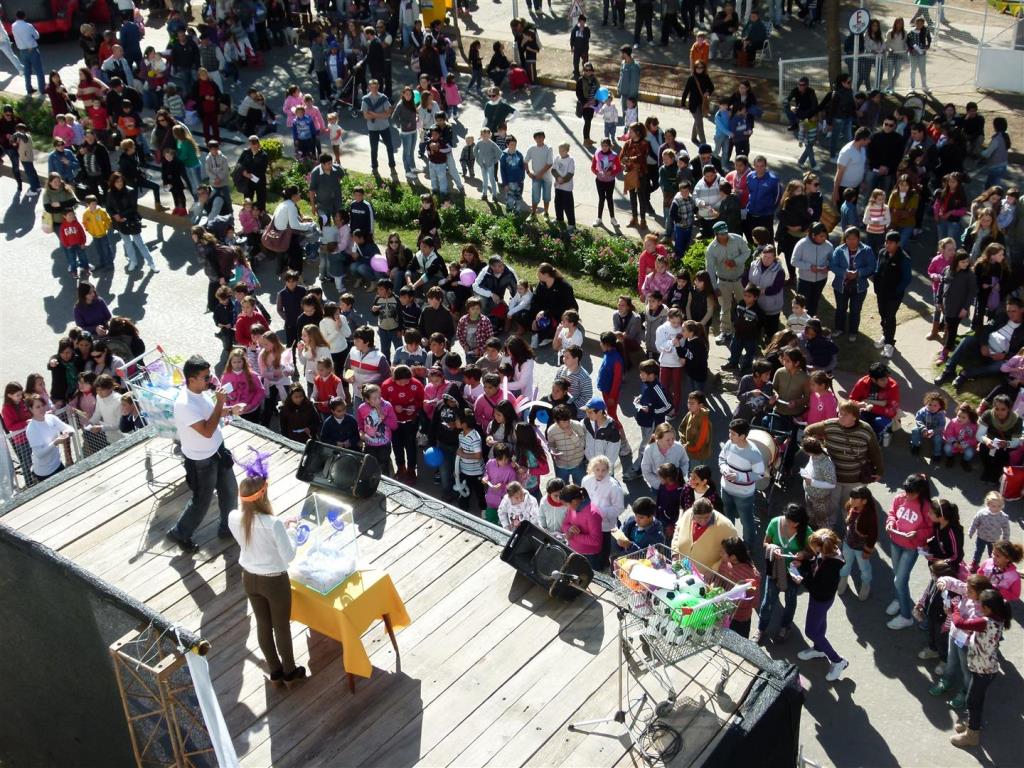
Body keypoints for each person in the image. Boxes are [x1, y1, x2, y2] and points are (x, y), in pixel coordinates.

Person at [227, 455, 306, 685]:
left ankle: (275, 670)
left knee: (263, 623)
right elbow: (289, 556)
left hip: (249, 578)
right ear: (264, 493)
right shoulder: (274, 524)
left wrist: (282, 524)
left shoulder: (234, 517)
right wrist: (290, 530)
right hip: (274, 581)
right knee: (281, 627)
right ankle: (290, 670)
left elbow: (256, 525)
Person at [167, 356, 242, 553]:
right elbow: (207, 430)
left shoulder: (201, 392)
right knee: (202, 500)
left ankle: (228, 528)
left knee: (230, 491)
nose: (210, 380)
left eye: (209, 375)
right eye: (205, 377)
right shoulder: (184, 404)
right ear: (191, 379)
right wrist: (220, 404)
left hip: (217, 450)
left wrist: (229, 410)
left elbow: (211, 415)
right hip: (201, 460)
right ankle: (180, 533)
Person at [803, 401, 883, 524]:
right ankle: (829, 532)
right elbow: (808, 430)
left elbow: (875, 452)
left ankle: (849, 531)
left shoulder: (866, 430)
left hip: (855, 479)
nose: (840, 416)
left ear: (854, 417)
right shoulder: (829, 425)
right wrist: (814, 447)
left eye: (845, 414)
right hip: (833, 478)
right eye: (840, 412)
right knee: (831, 507)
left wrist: (880, 471)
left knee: (850, 507)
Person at [793, 529, 849, 682]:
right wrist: (803, 562)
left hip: (820, 599)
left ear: (822, 548)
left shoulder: (830, 566)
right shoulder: (829, 552)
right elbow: (814, 564)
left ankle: (837, 661)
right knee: (819, 624)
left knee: (811, 631)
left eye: (814, 547)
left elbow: (816, 586)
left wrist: (801, 580)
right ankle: (819, 648)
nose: (812, 550)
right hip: (822, 598)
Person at [756, 503, 810, 645]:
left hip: (793, 572)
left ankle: (785, 627)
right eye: (788, 520)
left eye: (794, 522)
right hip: (774, 568)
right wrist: (773, 548)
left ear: (800, 522)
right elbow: (765, 543)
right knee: (768, 601)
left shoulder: (806, 531)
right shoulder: (775, 523)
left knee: (790, 600)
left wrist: (802, 555)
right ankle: (761, 628)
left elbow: (811, 551)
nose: (790, 524)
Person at [718, 418, 764, 551]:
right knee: (727, 517)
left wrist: (739, 476)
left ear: (742, 436)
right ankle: (729, 541)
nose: (729, 436)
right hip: (726, 489)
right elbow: (721, 458)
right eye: (729, 432)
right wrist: (724, 469)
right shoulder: (729, 444)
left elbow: (760, 474)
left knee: (746, 521)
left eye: (733, 434)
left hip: (743, 495)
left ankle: (748, 546)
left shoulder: (754, 454)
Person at [671, 497, 736, 571]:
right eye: (699, 518)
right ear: (693, 514)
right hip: (682, 568)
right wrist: (675, 553)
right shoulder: (687, 514)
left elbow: (733, 551)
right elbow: (677, 532)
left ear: (712, 511)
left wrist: (714, 569)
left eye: (707, 517)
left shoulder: (726, 526)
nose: (703, 521)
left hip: (707, 576)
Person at [24, 394, 74, 482]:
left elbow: (70, 429)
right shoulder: (31, 429)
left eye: (43, 405)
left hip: (57, 464)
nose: (42, 408)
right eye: (38, 407)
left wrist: (67, 432)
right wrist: (55, 442)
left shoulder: (51, 418)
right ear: (31, 409)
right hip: (44, 473)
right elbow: (39, 454)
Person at [11, 11, 45, 96]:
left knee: (27, 71)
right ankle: (42, 89)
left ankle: (29, 88)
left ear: (16, 17)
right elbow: (37, 36)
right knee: (39, 70)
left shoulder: (13, 26)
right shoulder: (28, 26)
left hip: (22, 51)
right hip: (32, 49)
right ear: (24, 17)